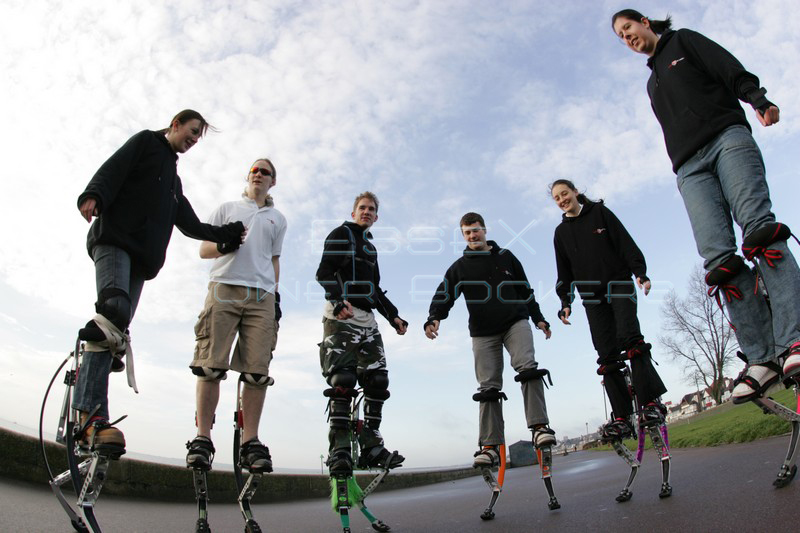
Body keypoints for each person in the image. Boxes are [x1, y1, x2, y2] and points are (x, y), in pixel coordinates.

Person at [611, 10, 800, 402]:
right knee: (719, 261)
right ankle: (763, 357)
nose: (626, 37)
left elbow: (727, 67)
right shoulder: (651, 83)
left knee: (759, 231)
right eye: (620, 37)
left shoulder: (683, 42)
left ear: (645, 22)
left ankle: (795, 338)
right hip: (689, 168)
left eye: (628, 28)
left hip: (726, 139)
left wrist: (756, 98)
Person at [73, 110, 246, 452]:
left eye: (199, 137)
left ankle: (96, 382)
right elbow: (115, 166)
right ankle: (89, 417)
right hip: (114, 240)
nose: (194, 139)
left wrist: (225, 235)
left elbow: (190, 224)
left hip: (141, 260)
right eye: (193, 131)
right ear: (175, 124)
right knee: (112, 312)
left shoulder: (173, 182)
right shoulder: (145, 143)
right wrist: (94, 194)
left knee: (116, 329)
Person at [424, 212, 556, 467]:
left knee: (527, 367)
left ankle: (539, 427)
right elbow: (444, 295)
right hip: (483, 332)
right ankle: (490, 445)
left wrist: (539, 318)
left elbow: (525, 290)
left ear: (485, 230)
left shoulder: (506, 257)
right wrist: (434, 318)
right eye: (467, 233)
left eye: (476, 230)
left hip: (515, 321)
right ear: (463, 236)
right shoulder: (459, 267)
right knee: (488, 387)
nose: (473, 236)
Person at [185, 158, 286, 473]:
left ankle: (250, 442)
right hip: (224, 289)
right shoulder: (227, 208)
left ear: (273, 181)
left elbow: (273, 260)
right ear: (248, 176)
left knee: (257, 371)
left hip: (262, 297)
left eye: (265, 172)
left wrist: (276, 295)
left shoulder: (277, 219)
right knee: (210, 365)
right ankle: (203, 438)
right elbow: (203, 250)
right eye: (254, 170)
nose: (258, 174)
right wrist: (224, 245)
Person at [551, 179, 667, 440]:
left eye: (564, 193)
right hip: (591, 296)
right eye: (556, 198)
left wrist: (640, 272)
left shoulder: (600, 213)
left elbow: (625, 242)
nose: (561, 199)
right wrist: (565, 302)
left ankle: (650, 403)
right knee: (606, 353)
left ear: (576, 192)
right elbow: (564, 271)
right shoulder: (561, 233)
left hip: (618, 283)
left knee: (630, 338)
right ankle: (622, 417)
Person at [316, 191, 408, 475]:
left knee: (378, 380)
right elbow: (324, 272)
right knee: (343, 380)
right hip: (342, 315)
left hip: (367, 320)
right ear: (354, 212)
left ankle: (371, 444)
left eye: (371, 209)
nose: (366, 212)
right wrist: (336, 299)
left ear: (376, 217)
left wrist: (393, 315)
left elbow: (375, 289)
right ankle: (340, 448)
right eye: (362, 208)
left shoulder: (370, 248)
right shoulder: (341, 234)